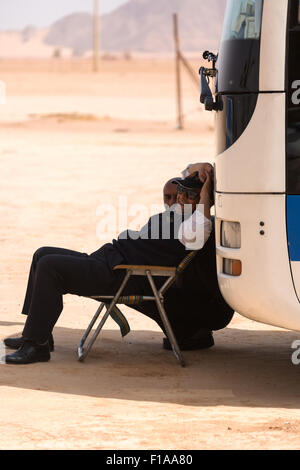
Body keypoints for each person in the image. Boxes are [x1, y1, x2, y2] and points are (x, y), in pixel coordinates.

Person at [3, 168, 219, 364]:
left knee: (50, 266)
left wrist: (206, 195)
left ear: (202, 202)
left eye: (191, 196)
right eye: (181, 191)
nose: (181, 198)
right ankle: (38, 333)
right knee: (43, 253)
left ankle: (36, 347)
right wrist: (202, 170)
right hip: (109, 261)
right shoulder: (174, 217)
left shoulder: (196, 229)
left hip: (120, 275)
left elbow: (200, 221)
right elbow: (188, 172)